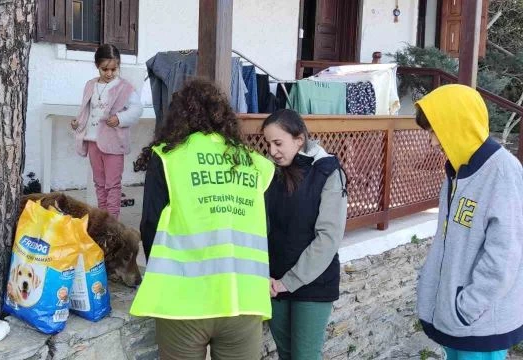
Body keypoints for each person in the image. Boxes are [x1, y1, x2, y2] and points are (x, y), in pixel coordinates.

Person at [130, 78, 275, 360]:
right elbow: (265, 227)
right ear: (223, 116)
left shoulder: (169, 158)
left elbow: (150, 225)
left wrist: (159, 269)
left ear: (177, 117)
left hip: (182, 301)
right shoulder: (254, 162)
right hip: (243, 300)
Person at [415, 84, 523, 360]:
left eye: (434, 132)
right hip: (456, 319)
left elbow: (505, 254)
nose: (433, 143)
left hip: (479, 323)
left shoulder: (503, 172)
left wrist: (466, 307)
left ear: (458, 124)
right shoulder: (456, 172)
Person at [261, 109, 347, 360]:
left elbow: (328, 238)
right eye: (268, 144)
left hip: (312, 284)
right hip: (274, 283)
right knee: (286, 355)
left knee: (304, 356)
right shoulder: (271, 173)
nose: (272, 151)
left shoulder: (328, 172)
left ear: (299, 139)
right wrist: (265, 276)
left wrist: (289, 281)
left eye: (278, 143)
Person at [71, 44, 143, 219]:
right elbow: (87, 110)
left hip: (114, 142)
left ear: (118, 66)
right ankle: (103, 218)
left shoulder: (125, 87)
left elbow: (137, 109)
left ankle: (112, 222)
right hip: (92, 140)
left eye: (114, 69)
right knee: (99, 183)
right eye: (105, 69)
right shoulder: (90, 86)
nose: (109, 73)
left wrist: (120, 118)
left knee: (113, 185)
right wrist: (77, 122)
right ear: (97, 66)